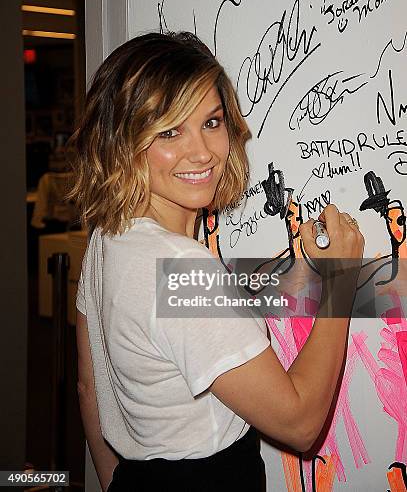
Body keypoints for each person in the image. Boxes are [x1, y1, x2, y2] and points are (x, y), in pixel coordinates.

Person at [69, 31, 365, 492]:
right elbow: (300, 422)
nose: (202, 152)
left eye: (211, 121)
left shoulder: (109, 236)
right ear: (122, 142)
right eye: (169, 131)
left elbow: (91, 389)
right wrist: (342, 277)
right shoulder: (182, 272)